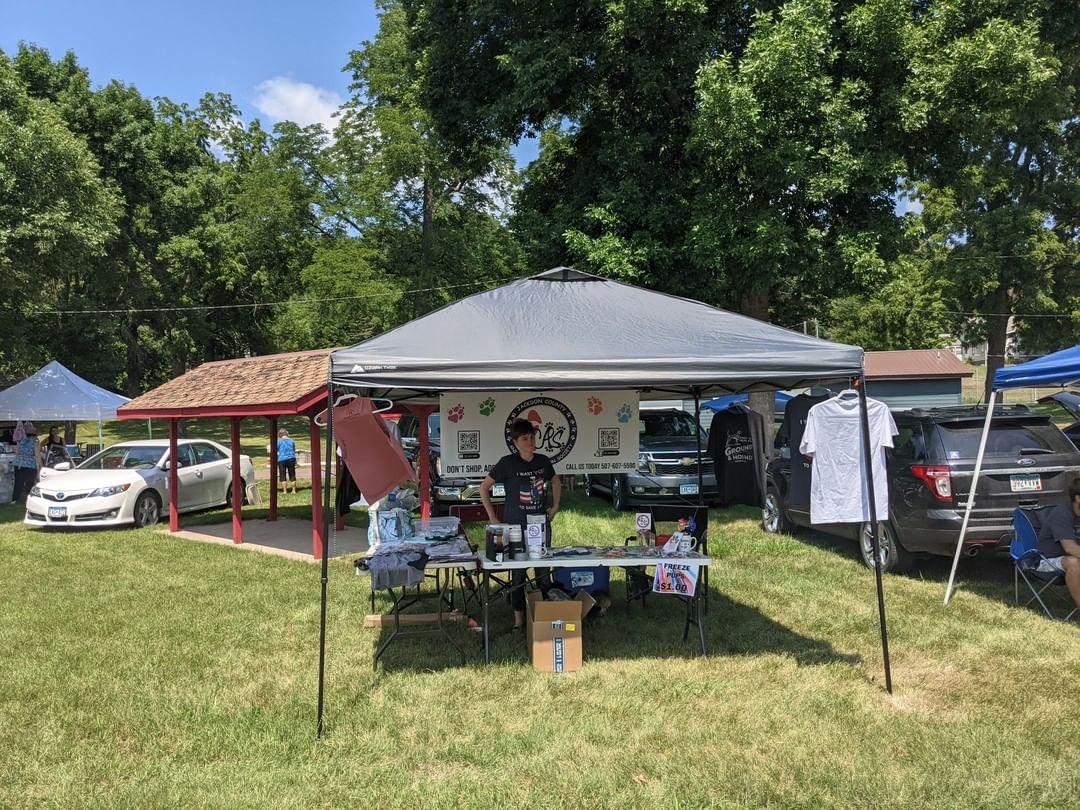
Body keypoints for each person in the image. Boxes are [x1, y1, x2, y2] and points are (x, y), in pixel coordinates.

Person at [480, 418, 562, 630]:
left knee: (543, 571)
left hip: (541, 524)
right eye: (525, 438)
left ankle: (545, 619)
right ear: (516, 442)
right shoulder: (507, 463)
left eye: (532, 437)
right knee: (518, 573)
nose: (530, 442)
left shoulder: (543, 461)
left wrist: (554, 507)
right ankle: (519, 621)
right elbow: (483, 488)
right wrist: (492, 517)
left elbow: (555, 481)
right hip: (516, 526)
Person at [1036, 476, 1080, 614]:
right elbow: (1070, 548)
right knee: (1073, 562)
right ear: (1078, 498)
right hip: (1047, 561)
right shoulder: (1062, 514)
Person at [13, 424, 40, 502]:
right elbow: (37, 455)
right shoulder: (35, 442)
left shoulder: (20, 441)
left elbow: (17, 452)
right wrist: (41, 465)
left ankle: (14, 499)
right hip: (30, 464)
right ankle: (29, 498)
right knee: (29, 482)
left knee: (18, 482)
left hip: (19, 463)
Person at [277, 428, 298, 495]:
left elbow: (276, 450)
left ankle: (285, 491)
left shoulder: (279, 442)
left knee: (282, 475)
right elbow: (293, 450)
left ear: (280, 434)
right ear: (286, 433)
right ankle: (294, 490)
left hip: (282, 459)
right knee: (292, 474)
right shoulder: (292, 441)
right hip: (291, 458)